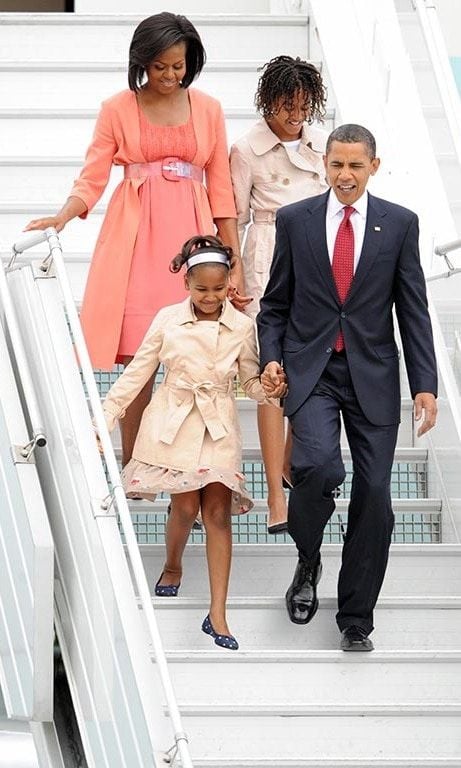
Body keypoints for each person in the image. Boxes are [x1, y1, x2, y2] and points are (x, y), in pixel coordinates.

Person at [25, 12, 248, 468]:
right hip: (137, 240)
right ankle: (135, 465)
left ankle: (196, 467)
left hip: (194, 239)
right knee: (140, 360)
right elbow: (92, 177)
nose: (170, 75)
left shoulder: (209, 109)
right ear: (142, 61)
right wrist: (64, 215)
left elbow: (222, 190)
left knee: (199, 356)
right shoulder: (117, 108)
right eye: (161, 66)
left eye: (179, 66)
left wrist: (234, 258)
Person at [258, 124, 437, 651]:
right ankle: (308, 556)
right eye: (337, 165)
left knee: (376, 495)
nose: (345, 175)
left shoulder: (400, 224)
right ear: (325, 165)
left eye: (356, 166)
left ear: (373, 167)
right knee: (317, 467)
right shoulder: (296, 220)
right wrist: (272, 358)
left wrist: (424, 385)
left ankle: (356, 617)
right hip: (313, 372)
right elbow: (274, 306)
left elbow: (413, 310)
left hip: (374, 374)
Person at [101, 235, 286, 650]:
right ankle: (172, 565)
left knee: (217, 511)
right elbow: (138, 374)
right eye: (201, 289)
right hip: (174, 420)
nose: (210, 297)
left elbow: (250, 382)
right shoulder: (167, 319)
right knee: (184, 507)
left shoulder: (241, 325)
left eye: (218, 289)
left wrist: (269, 387)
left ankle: (217, 612)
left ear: (228, 285)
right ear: (186, 283)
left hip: (218, 424)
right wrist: (105, 418)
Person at [230, 55, 328, 533]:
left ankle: (289, 465)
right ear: (268, 100)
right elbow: (234, 216)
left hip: (319, 264)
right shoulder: (247, 148)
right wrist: (235, 277)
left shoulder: (320, 146)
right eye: (287, 106)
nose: (295, 116)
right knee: (272, 376)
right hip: (268, 260)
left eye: (303, 107)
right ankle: (274, 496)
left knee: (307, 372)